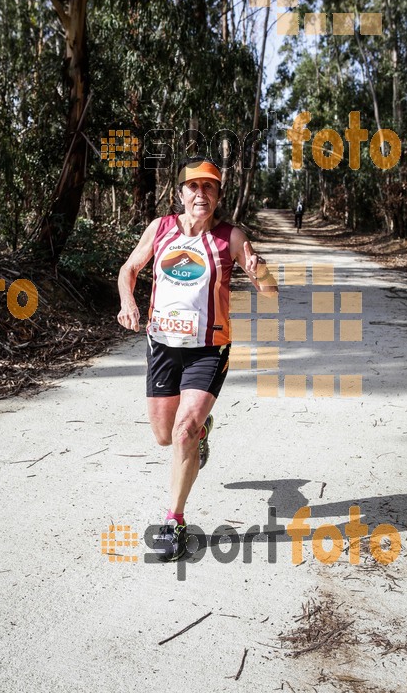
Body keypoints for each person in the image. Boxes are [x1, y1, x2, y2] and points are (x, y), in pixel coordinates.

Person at [117, 158, 278, 561]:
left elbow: (271, 290)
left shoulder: (230, 238)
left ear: (218, 197)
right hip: (162, 345)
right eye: (194, 187)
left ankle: (174, 521)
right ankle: (202, 433)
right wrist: (127, 301)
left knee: (184, 430)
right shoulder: (161, 229)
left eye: (209, 188)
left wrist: (261, 273)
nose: (201, 194)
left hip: (209, 347)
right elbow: (129, 269)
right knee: (164, 435)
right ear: (181, 193)